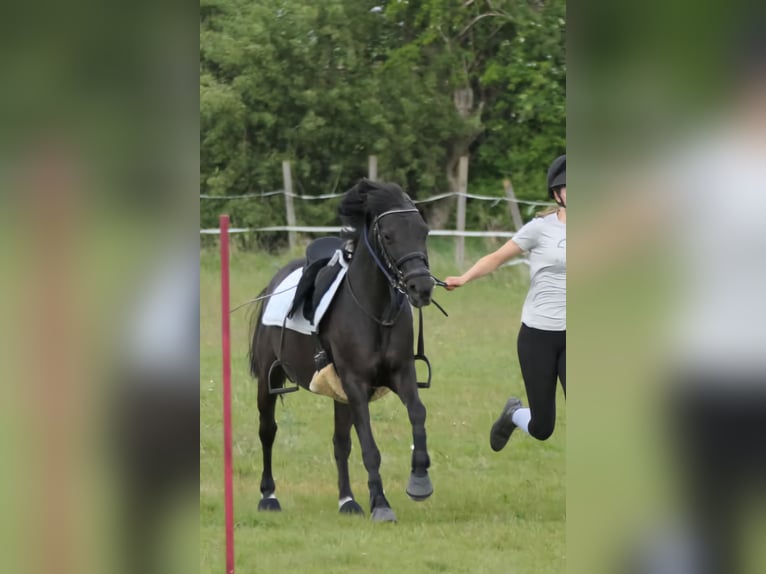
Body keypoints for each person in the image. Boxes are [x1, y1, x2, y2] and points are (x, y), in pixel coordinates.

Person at [445, 155, 566, 450]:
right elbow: (496, 258)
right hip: (538, 335)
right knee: (542, 427)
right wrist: (465, 277)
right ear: (557, 193)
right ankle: (513, 413)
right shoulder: (540, 229)